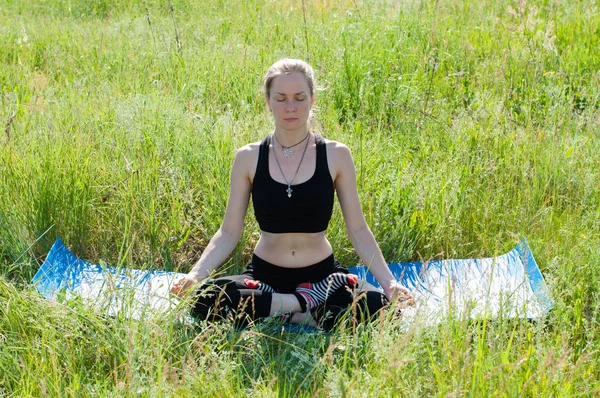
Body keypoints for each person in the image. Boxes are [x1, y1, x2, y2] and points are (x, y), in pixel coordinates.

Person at [171, 58, 414, 330]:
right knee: (206, 299)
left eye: (299, 98)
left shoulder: (336, 154)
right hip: (264, 277)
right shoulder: (248, 157)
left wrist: (389, 283)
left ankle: (277, 310)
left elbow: (357, 229)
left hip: (323, 278)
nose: (290, 107)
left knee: (381, 310)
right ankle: (305, 308)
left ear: (311, 100)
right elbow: (228, 232)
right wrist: (196, 275)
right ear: (268, 102)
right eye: (281, 98)